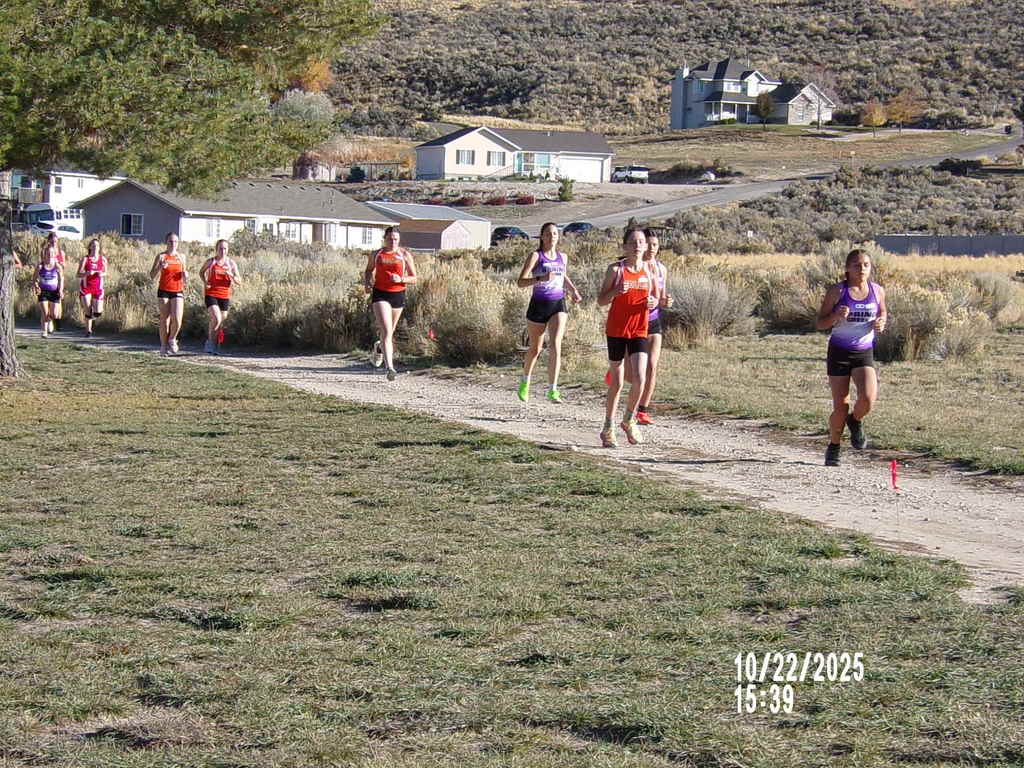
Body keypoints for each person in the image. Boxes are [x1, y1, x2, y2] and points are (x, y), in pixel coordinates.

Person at [815, 248, 888, 466]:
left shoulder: (877, 290)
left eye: (866, 265)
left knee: (867, 399)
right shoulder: (837, 291)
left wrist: (882, 322)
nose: (862, 269)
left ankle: (854, 421)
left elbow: (883, 311)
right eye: (857, 265)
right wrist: (835, 316)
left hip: (863, 351)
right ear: (847, 268)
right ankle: (834, 445)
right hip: (839, 351)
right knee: (841, 405)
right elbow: (820, 323)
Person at [596, 226, 659, 448]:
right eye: (633, 242)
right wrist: (615, 292)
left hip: (639, 330)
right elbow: (601, 300)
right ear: (625, 246)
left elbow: (655, 299)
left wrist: (653, 302)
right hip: (616, 331)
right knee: (617, 382)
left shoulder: (649, 271)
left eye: (641, 241)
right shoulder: (616, 270)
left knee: (641, 378)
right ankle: (608, 427)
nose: (638, 245)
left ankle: (628, 419)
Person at [515, 222, 583, 403]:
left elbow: (563, 275)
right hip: (538, 305)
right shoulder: (536, 256)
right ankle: (525, 382)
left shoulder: (563, 257)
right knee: (535, 348)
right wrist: (540, 279)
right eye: (548, 234)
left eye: (555, 234)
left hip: (558, 304)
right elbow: (520, 282)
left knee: (555, 344)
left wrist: (573, 290)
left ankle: (553, 390)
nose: (552, 237)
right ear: (542, 237)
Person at [363, 226, 417, 382]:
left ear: (399, 240)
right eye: (390, 239)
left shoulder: (405, 255)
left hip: (398, 295)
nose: (393, 242)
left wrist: (401, 279)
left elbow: (414, 277)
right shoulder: (377, 254)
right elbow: (368, 270)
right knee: (386, 330)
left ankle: (379, 348)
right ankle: (390, 368)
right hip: (380, 294)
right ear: (384, 239)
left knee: (389, 333)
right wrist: (367, 283)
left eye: (395, 239)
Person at [636, 228, 673, 425]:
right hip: (634, 322)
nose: (651, 248)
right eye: (648, 244)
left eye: (655, 245)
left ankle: (642, 410)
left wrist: (666, 301)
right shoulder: (635, 267)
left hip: (654, 321)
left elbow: (662, 297)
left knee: (652, 366)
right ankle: (616, 374)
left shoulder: (661, 269)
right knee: (635, 372)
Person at [199, 239, 242, 355]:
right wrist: (205, 282)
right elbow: (201, 272)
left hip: (225, 295)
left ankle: (216, 345)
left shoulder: (231, 264)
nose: (223, 251)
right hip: (211, 293)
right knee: (216, 318)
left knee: (219, 322)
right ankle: (210, 344)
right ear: (216, 249)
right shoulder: (211, 262)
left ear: (228, 250)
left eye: (225, 248)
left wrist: (231, 275)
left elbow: (239, 281)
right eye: (220, 248)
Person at [150, 232, 188, 355]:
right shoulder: (161, 256)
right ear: (166, 243)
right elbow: (152, 275)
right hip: (164, 290)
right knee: (164, 319)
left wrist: (186, 276)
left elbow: (184, 274)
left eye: (175, 241)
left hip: (178, 289)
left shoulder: (181, 257)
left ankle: (172, 339)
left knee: (177, 318)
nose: (173, 244)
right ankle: (163, 345)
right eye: (170, 241)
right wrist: (160, 267)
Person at [77, 238, 107, 337]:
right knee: (88, 309)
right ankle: (88, 331)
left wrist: (101, 274)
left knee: (98, 312)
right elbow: (78, 274)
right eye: (93, 245)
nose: (95, 247)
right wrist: (87, 273)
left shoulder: (103, 259)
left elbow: (106, 272)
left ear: (99, 248)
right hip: (86, 287)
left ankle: (90, 318)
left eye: (97, 246)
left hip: (98, 287)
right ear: (90, 247)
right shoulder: (85, 259)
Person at [34, 245, 64, 337]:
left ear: (55, 254)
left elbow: (61, 279)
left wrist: (61, 290)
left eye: (52, 253)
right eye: (48, 253)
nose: (50, 254)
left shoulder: (57, 266)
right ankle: (44, 331)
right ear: (45, 254)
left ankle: (50, 320)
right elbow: (34, 279)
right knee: (45, 312)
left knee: (54, 314)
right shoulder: (40, 266)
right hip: (43, 292)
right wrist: (36, 286)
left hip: (54, 292)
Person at [42, 233, 66, 329]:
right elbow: (43, 263)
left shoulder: (61, 252)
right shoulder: (45, 251)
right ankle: (49, 323)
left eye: (55, 241)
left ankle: (57, 319)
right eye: (52, 241)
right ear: (48, 241)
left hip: (58, 278)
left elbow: (64, 265)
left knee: (58, 300)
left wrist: (59, 263)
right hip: (48, 278)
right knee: (46, 302)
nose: (54, 243)